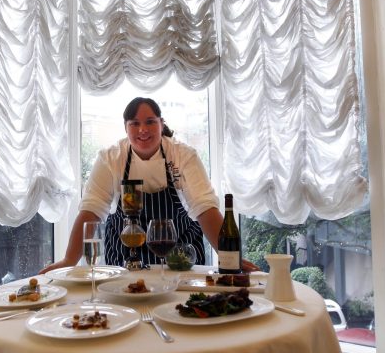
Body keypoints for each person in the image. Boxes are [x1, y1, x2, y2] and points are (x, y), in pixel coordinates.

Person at [41, 97, 259, 273]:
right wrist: (69, 260)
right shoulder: (111, 158)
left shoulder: (183, 155)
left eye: (150, 122)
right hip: (125, 260)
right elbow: (91, 211)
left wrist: (230, 257)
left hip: (178, 259)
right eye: (135, 124)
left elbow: (206, 209)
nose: (142, 130)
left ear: (161, 124)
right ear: (125, 128)